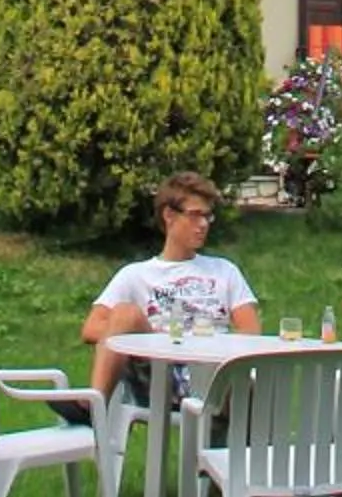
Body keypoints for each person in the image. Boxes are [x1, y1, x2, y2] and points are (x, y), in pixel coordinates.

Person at [81, 171, 261, 406]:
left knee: (248, 386)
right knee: (125, 314)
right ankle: (93, 406)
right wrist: (154, 340)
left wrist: (206, 345)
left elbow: (251, 332)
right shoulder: (135, 275)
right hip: (160, 373)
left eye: (207, 216)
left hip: (212, 370)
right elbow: (91, 329)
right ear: (169, 215)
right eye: (195, 215)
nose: (203, 224)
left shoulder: (224, 271)